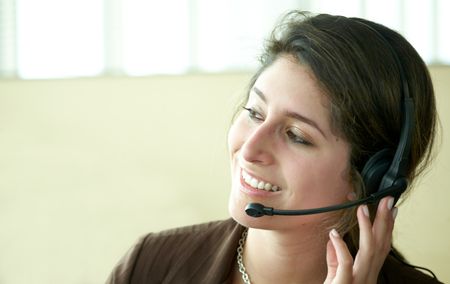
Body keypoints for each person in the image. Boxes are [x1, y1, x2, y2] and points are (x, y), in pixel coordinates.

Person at [106, 11, 441, 283]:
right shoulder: (149, 267)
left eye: (296, 135)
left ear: (371, 178)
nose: (250, 150)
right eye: (254, 113)